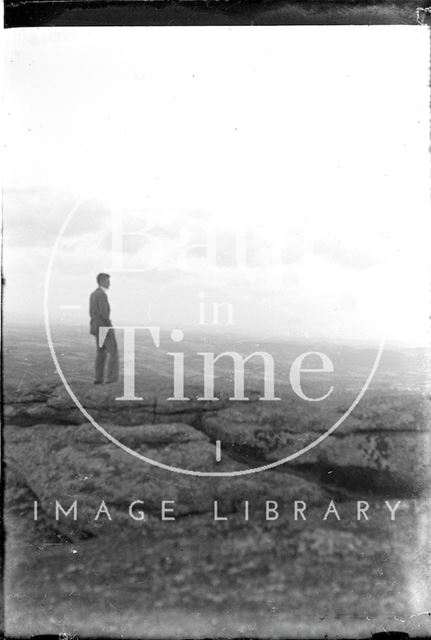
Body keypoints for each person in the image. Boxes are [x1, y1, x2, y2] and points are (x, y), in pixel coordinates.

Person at [89, 273, 119, 385]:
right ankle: (111, 380)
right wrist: (109, 328)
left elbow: (92, 313)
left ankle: (98, 379)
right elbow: (104, 314)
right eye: (107, 281)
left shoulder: (93, 294)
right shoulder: (102, 295)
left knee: (100, 353)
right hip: (104, 327)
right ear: (102, 281)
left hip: (96, 327)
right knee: (113, 352)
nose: (109, 283)